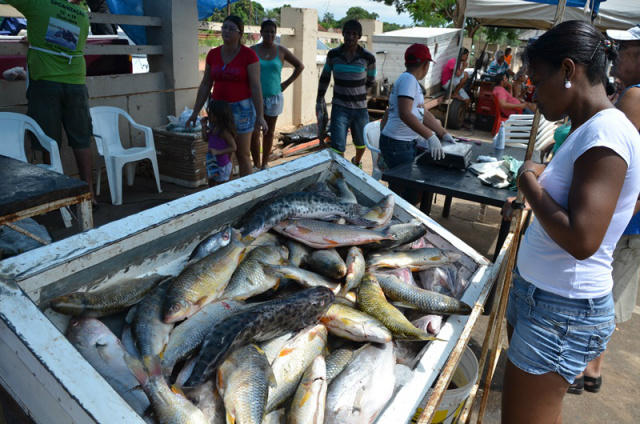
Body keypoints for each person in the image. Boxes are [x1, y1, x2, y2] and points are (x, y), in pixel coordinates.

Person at [499, 20, 640, 424]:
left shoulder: (607, 133)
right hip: (544, 298)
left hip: (561, 310)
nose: (532, 93)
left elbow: (582, 239)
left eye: (536, 81)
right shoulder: (588, 128)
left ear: (567, 70)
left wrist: (527, 179)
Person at [566, 23, 640, 396]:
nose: (617, 56)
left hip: (627, 222)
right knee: (610, 295)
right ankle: (593, 370)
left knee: (596, 296)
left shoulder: (634, 98)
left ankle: (580, 369)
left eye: (624, 49)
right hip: (631, 223)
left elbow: (614, 166)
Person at [3, 0, 97, 207]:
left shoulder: (37, 4)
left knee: (47, 140)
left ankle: (57, 192)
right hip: (76, 84)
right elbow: (69, 42)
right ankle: (89, 193)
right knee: (81, 139)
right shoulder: (81, 14)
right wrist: (36, 39)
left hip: (46, 84)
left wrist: (34, 39)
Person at [186, 15, 267, 177]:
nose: (226, 31)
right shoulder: (213, 54)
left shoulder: (249, 56)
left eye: (231, 29)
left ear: (240, 34)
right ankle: (227, 194)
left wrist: (260, 115)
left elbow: (256, 86)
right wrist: (195, 112)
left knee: (243, 155)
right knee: (223, 155)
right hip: (217, 111)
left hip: (242, 110)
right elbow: (205, 84)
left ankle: (247, 194)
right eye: (224, 28)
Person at [379, 43, 455, 203]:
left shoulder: (410, 81)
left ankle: (397, 219)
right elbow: (405, 114)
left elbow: (422, 112)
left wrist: (442, 133)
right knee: (405, 191)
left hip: (402, 143)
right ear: (426, 65)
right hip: (396, 144)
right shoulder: (408, 80)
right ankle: (396, 222)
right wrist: (430, 136)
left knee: (409, 189)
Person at [316, 19, 376, 168]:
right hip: (339, 107)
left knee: (362, 143)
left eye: (354, 34)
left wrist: (361, 93)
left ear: (359, 36)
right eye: (347, 33)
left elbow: (372, 79)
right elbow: (325, 77)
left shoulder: (368, 57)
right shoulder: (333, 54)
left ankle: (357, 162)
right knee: (337, 145)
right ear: (343, 34)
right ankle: (342, 171)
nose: (350, 37)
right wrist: (319, 99)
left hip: (360, 108)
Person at [250, 19, 304, 170]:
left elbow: (300, 66)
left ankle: (265, 164)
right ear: (261, 33)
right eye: (266, 31)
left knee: (269, 131)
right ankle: (256, 164)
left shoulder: (281, 50)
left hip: (274, 97)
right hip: (254, 97)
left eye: (272, 32)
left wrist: (286, 83)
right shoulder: (252, 50)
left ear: (275, 33)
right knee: (254, 133)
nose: (269, 34)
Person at [200, 100, 236, 187]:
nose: (208, 115)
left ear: (217, 116)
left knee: (221, 186)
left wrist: (217, 152)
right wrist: (204, 127)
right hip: (212, 163)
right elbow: (205, 139)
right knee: (211, 184)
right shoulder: (213, 128)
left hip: (221, 165)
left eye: (211, 113)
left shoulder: (224, 132)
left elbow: (233, 147)